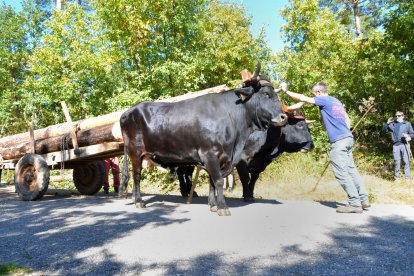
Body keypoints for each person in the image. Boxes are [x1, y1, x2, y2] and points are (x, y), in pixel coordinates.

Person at [280, 81, 370, 213]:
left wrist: (286, 91)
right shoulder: (336, 101)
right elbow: (346, 118)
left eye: (314, 95)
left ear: (318, 93)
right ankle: (364, 199)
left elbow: (303, 98)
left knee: (341, 172)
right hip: (348, 138)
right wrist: (345, 131)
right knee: (351, 170)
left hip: (339, 142)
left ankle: (354, 204)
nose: (314, 97)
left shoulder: (325, 100)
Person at [382, 111, 414, 181]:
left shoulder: (407, 124)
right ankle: (397, 178)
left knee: (406, 161)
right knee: (397, 161)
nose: (397, 117)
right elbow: (383, 130)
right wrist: (387, 122)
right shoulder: (392, 124)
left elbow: (412, 134)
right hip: (395, 145)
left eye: (399, 116)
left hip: (404, 144)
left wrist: (408, 136)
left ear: (403, 116)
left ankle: (408, 178)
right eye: (396, 116)